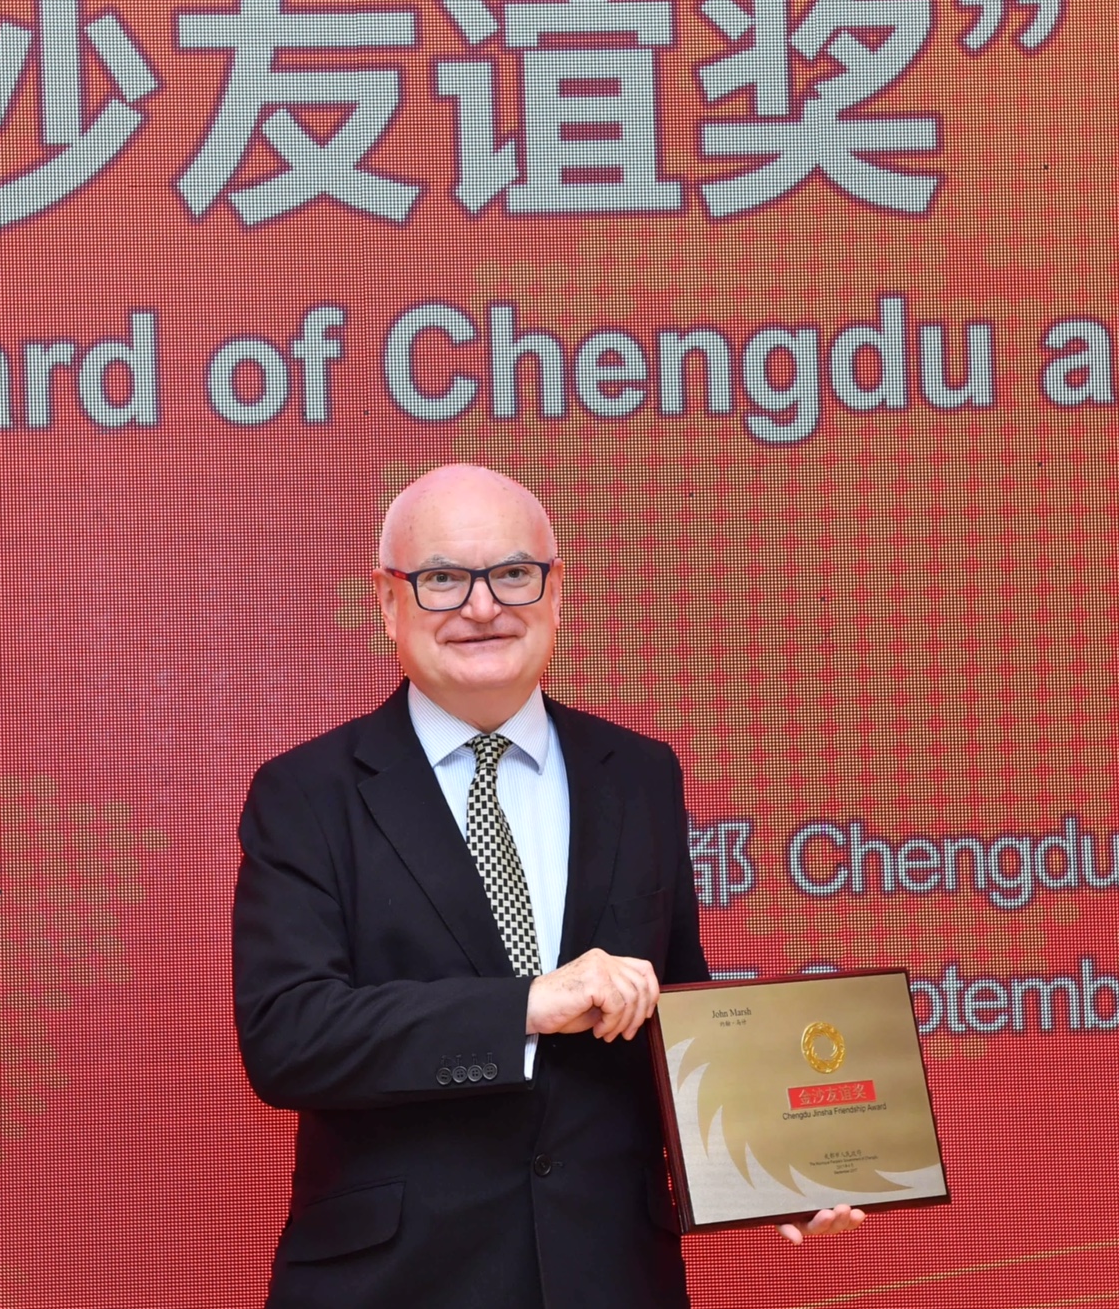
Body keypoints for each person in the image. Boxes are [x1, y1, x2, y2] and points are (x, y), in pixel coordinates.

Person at [232, 464, 862, 1309]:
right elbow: (290, 1037)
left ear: (556, 591)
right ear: (388, 601)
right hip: (397, 1284)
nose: (482, 607)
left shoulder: (640, 775)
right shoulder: (307, 794)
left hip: (611, 1276)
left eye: (512, 574)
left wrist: (778, 1163)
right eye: (443, 579)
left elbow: (677, 1010)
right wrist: (526, 1004)